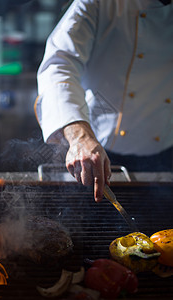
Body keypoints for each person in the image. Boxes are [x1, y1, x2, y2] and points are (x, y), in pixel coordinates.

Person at [34, 0, 173, 202]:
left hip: (167, 153)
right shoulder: (99, 3)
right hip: (96, 155)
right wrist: (80, 137)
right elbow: (60, 65)